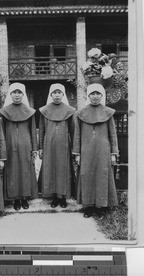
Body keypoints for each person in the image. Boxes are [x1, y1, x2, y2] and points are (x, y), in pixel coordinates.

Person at [73, 83, 119, 218]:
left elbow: (112, 134)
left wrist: (113, 153)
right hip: (86, 151)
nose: (95, 96)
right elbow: (77, 134)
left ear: (102, 95)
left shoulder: (108, 112)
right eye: (92, 94)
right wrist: (77, 153)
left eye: (98, 94)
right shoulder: (81, 113)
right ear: (88, 96)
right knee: (87, 176)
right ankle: (88, 206)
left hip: (103, 151)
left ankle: (101, 206)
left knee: (102, 176)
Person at [0, 82, 38, 210]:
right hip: (9, 146)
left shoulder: (29, 112)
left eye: (19, 92)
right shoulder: (4, 112)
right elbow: (2, 132)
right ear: (10, 94)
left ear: (23, 94)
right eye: (14, 92)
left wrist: (34, 149)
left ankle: (25, 197)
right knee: (13, 172)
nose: (17, 95)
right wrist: (3, 151)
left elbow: (33, 131)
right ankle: (15, 198)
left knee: (25, 171)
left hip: (25, 146)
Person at [38, 83, 75, 208]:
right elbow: (42, 130)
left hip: (64, 146)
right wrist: (40, 148)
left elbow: (73, 131)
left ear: (63, 94)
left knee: (63, 170)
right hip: (49, 146)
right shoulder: (44, 110)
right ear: (51, 94)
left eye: (59, 92)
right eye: (54, 93)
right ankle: (54, 196)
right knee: (51, 169)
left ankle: (62, 196)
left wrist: (74, 148)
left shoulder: (69, 111)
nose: (57, 95)